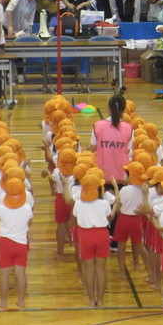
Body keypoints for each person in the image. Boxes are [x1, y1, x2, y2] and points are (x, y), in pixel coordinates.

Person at [70, 173, 114, 307]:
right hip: (102, 234)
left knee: (89, 269)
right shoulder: (104, 203)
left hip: (85, 235)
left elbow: (75, 218)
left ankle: (90, 299)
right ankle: (100, 300)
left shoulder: (78, 203)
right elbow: (109, 217)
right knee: (101, 269)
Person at [0, 178, 33, 309]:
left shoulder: (2, 208)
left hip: (5, 243)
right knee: (20, 273)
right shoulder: (27, 208)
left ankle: (3, 301)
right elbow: (29, 223)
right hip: (21, 243)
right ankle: (21, 301)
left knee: (4, 273)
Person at [90, 94, 133, 183]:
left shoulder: (97, 125)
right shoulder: (129, 128)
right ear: (124, 110)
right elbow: (127, 150)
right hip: (122, 177)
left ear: (108, 108)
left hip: (100, 175)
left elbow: (92, 148)